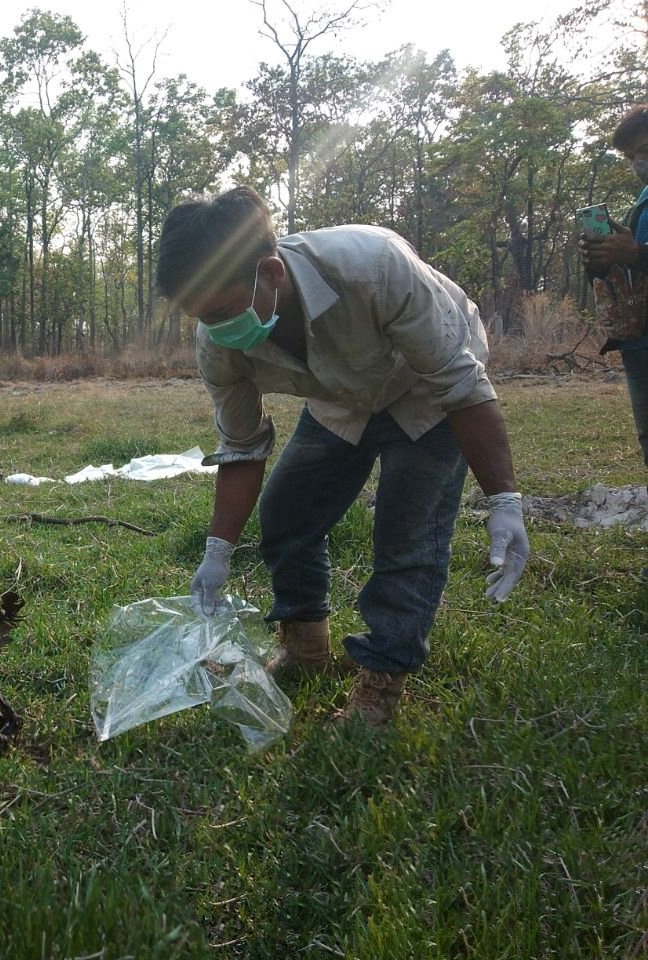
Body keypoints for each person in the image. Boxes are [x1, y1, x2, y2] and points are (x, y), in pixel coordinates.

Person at [155, 186, 531, 727]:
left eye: (221, 310)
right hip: (341, 398)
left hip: (425, 388)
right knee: (287, 514)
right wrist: (217, 550)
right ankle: (305, 647)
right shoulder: (218, 340)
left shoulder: (373, 267)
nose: (216, 328)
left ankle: (382, 681)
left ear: (271, 273)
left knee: (408, 533)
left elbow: (462, 386)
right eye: (200, 316)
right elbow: (242, 445)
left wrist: (505, 500)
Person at [579, 103, 648, 466]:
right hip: (640, 342)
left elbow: (640, 257)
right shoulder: (643, 201)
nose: (639, 163)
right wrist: (602, 262)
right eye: (631, 156)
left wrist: (636, 253)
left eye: (645, 151)